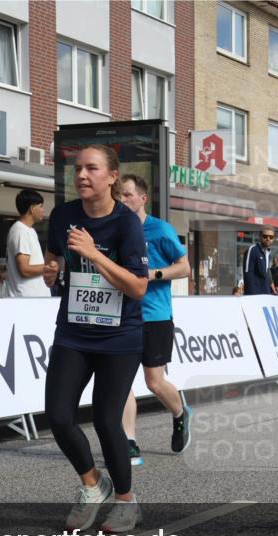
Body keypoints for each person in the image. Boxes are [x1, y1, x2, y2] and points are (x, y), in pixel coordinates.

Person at [42, 145, 148, 533]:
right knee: (57, 415)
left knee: (106, 420)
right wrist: (50, 273)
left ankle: (126, 502)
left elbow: (137, 287)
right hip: (74, 331)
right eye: (78, 169)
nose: (82, 175)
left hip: (119, 337)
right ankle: (92, 485)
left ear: (112, 176)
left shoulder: (126, 223)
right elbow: (54, 259)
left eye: (92, 168)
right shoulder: (64, 215)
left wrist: (95, 254)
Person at [118, 174, 193, 466]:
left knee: (154, 382)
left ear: (142, 198)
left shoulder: (159, 230)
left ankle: (179, 413)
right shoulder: (116, 230)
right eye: (119, 196)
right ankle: (129, 443)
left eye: (127, 195)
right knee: (121, 381)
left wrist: (152, 275)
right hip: (122, 315)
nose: (122, 201)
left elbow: (184, 267)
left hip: (155, 316)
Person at [4, 189, 49, 297]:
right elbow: (24, 270)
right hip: (26, 300)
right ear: (32, 209)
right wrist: (48, 268)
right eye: (41, 206)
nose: (43, 210)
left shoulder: (29, 230)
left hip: (32, 300)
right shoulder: (21, 231)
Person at [243, 229, 276, 295]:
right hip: (255, 294)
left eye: (271, 237)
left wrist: (272, 289)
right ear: (260, 236)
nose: (268, 239)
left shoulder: (268, 252)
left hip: (266, 293)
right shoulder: (253, 250)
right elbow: (247, 273)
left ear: (273, 239)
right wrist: (252, 294)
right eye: (265, 236)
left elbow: (266, 274)